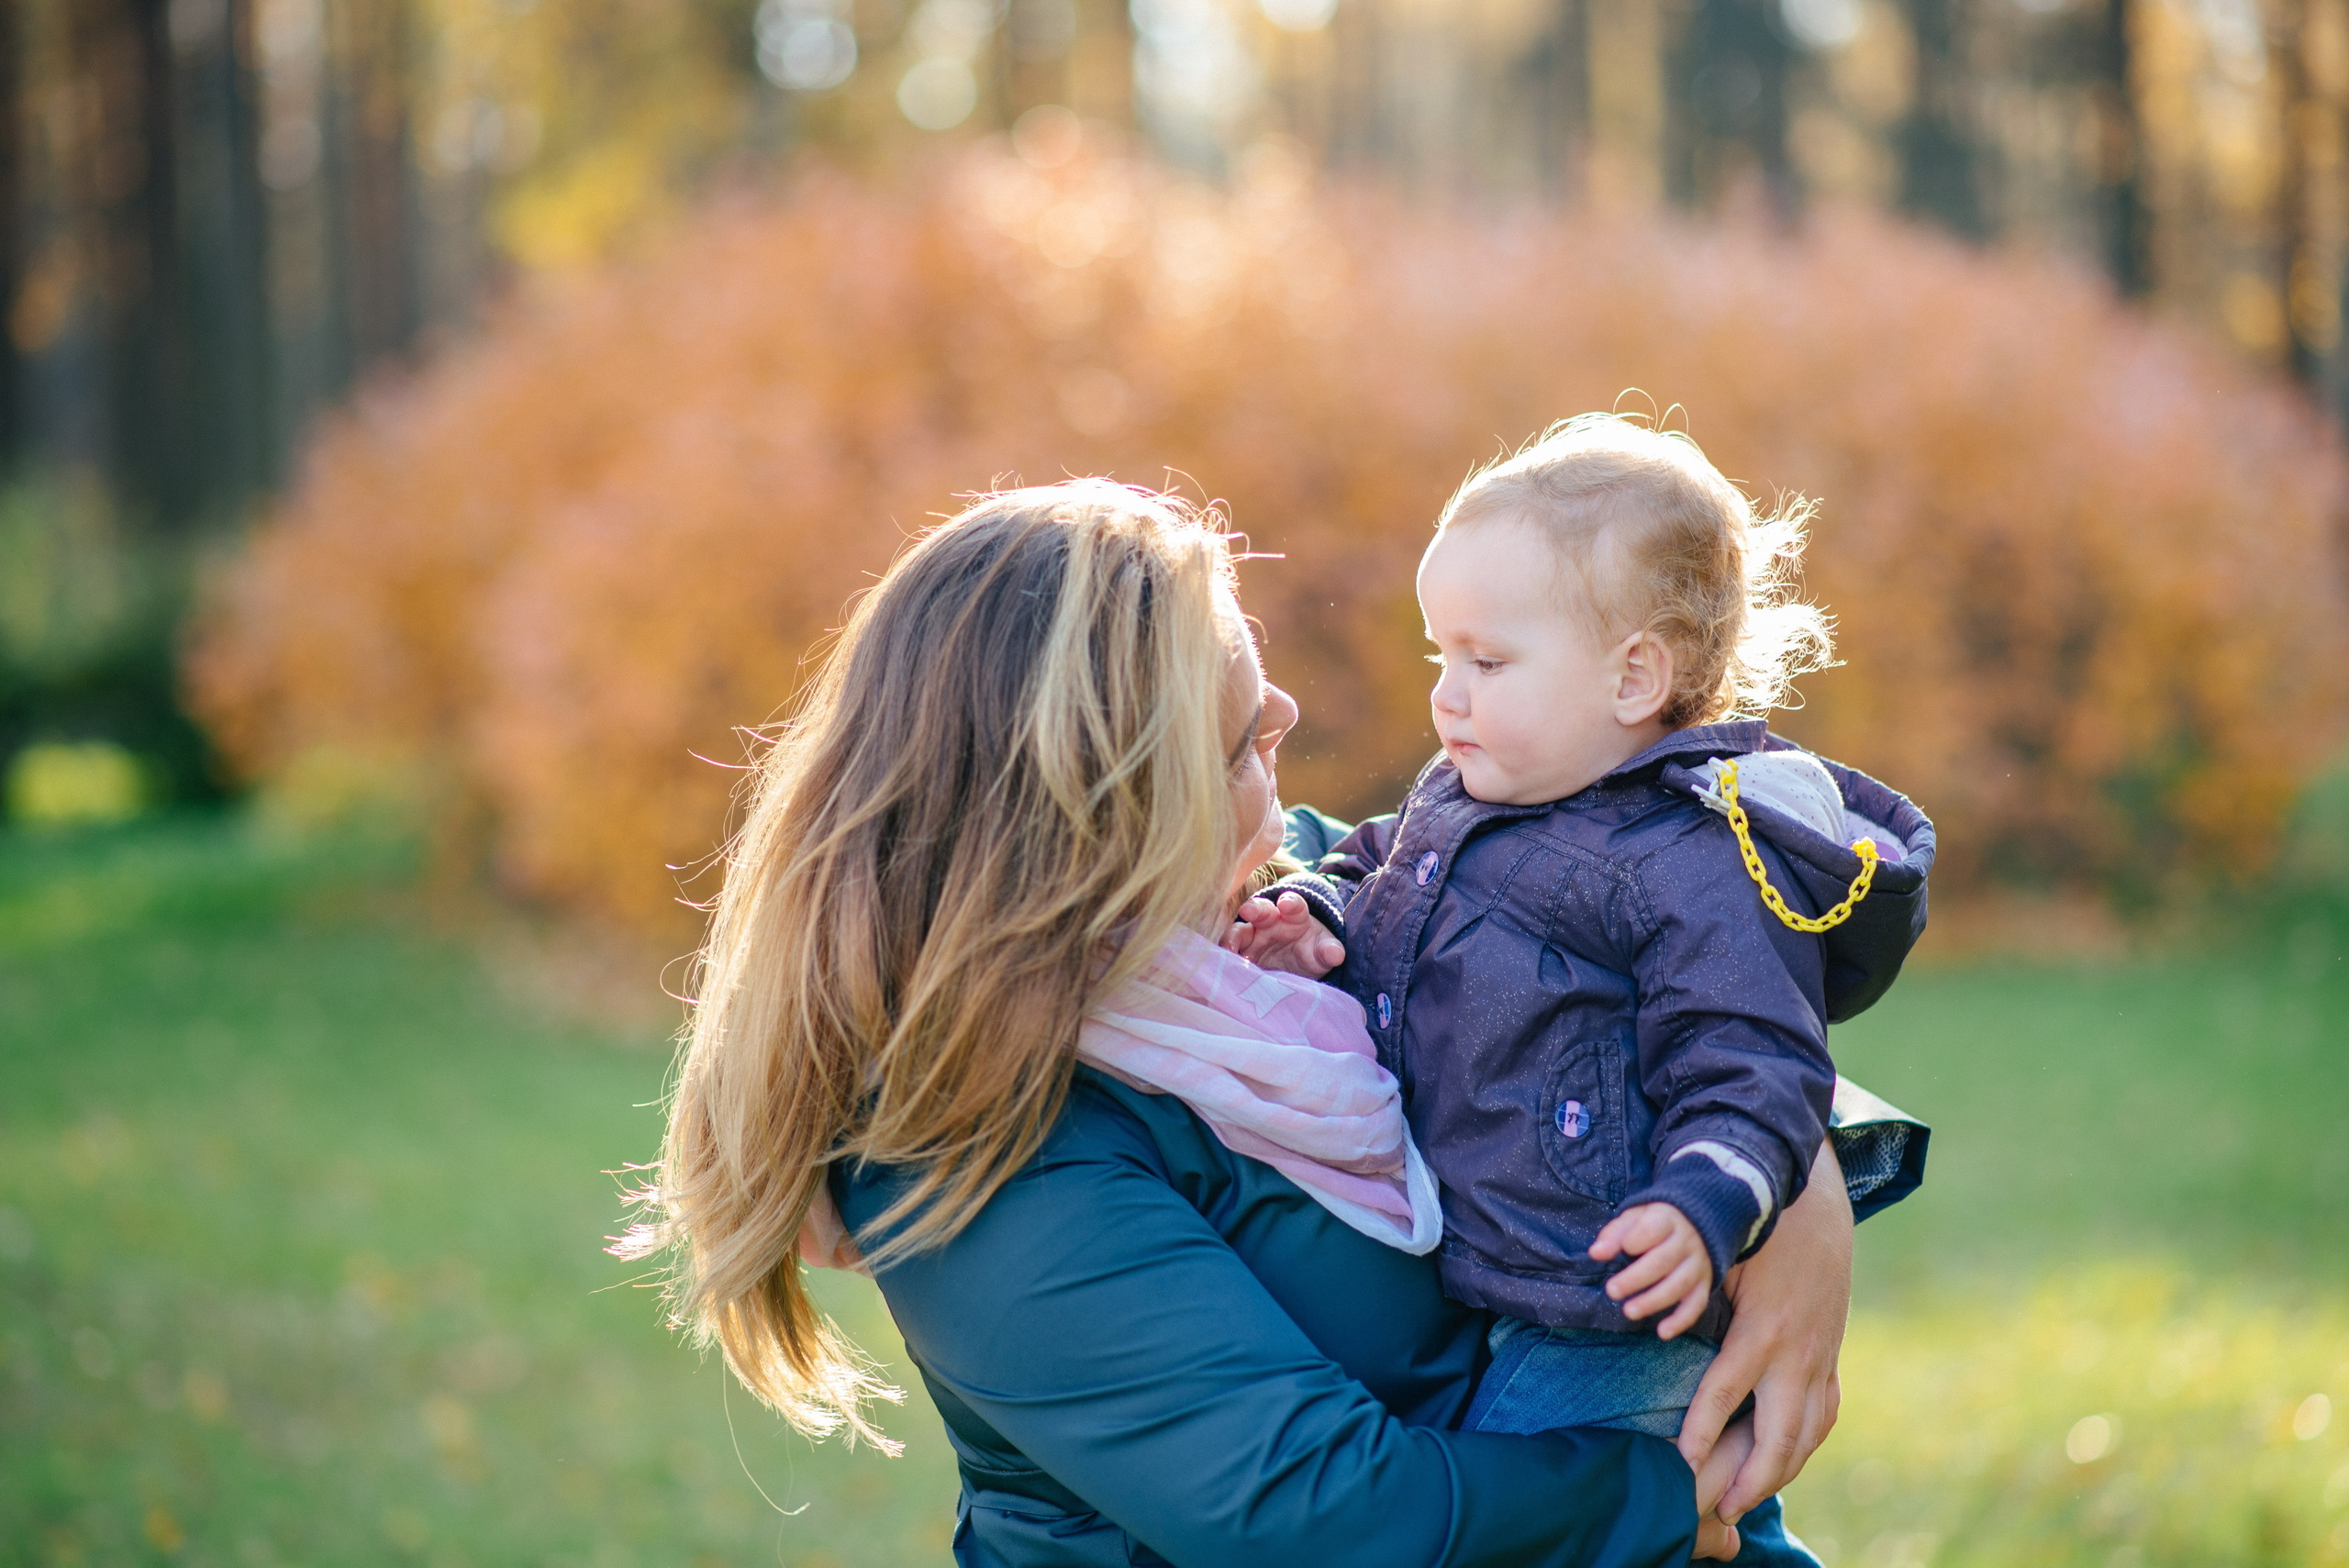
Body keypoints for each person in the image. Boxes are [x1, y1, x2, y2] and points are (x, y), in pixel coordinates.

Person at [618, 478, 1878, 1566]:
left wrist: (1801, 1194)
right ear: (1104, 824)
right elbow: (1319, 1516)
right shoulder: (978, 1163)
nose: (1285, 727)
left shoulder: (1276, 916)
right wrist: (1665, 1500)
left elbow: (1678, 992)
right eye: (1234, 739)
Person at [1232, 416, 1934, 1564]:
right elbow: (1373, 862)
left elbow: (1754, 1063)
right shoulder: (1468, 791)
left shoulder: (1695, 864)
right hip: (1502, 1286)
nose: (1446, 698)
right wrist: (1312, 912)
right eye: (1438, 659)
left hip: (1620, 1320)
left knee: (1578, 1533)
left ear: (1634, 673)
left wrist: (1704, 1208)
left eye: (1487, 662)